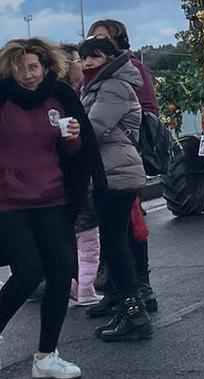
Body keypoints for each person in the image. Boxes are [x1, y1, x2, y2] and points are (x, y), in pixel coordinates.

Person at [0, 38, 105, 378]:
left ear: (46, 67)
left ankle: (46, 356)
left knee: (61, 274)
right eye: (21, 68)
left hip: (53, 198)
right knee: (29, 270)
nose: (28, 75)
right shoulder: (2, 98)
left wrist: (72, 138)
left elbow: (78, 153)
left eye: (33, 67)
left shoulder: (60, 96)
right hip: (9, 202)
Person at [78, 35, 152, 342]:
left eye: (94, 57)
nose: (87, 63)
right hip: (108, 172)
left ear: (110, 58)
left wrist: (63, 132)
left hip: (116, 173)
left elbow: (93, 128)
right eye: (84, 58)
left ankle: (135, 314)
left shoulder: (114, 86)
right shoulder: (97, 85)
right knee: (113, 242)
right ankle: (127, 306)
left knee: (116, 243)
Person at [58, 44, 103, 307]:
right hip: (77, 177)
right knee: (88, 238)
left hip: (55, 181)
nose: (82, 65)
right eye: (78, 59)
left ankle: (71, 285)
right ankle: (85, 288)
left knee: (63, 238)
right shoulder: (69, 97)